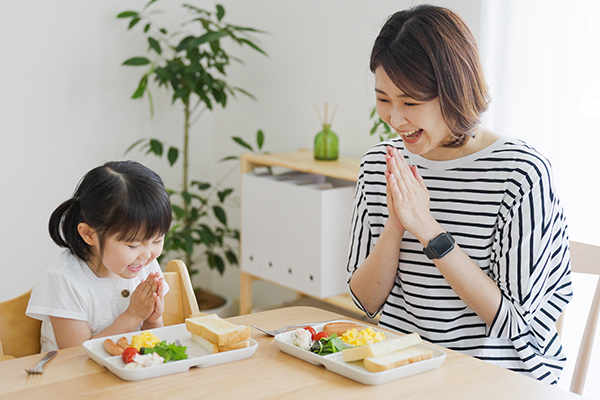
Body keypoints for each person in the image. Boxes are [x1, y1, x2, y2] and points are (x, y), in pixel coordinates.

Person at [347, 4, 572, 384]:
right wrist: (396, 226)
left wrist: (429, 230)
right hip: (403, 373)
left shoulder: (521, 174)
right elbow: (366, 302)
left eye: (411, 103)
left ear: (454, 91)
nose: (395, 119)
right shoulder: (379, 165)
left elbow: (513, 322)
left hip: (498, 380)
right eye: (384, 99)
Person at [26, 160, 172, 352]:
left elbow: (155, 344)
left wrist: (152, 319)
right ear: (89, 234)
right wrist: (133, 316)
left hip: (129, 373)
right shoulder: (64, 280)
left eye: (157, 240)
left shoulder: (143, 264)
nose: (147, 254)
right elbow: (76, 355)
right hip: (70, 377)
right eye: (133, 244)